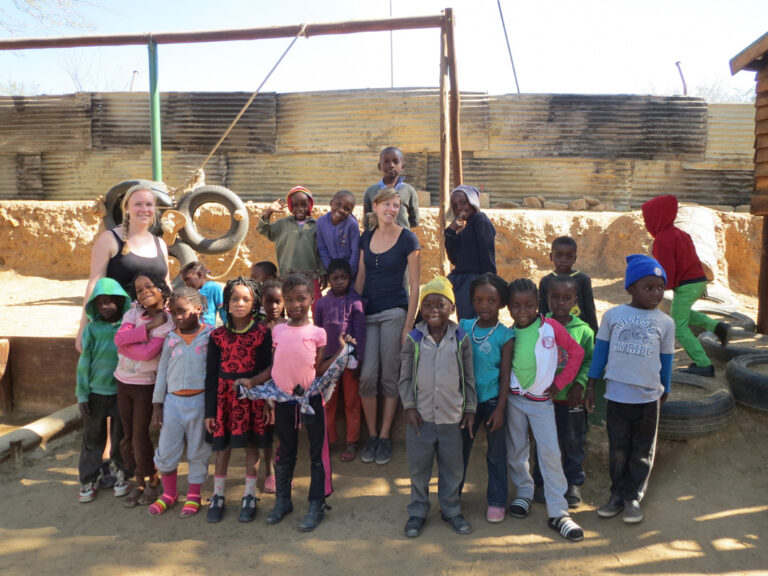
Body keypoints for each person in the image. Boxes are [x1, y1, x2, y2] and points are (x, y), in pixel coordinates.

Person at [586, 254, 675, 524]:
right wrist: (591, 384)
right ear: (630, 288)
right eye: (648, 288)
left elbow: (666, 360)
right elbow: (599, 354)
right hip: (617, 396)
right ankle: (617, 495)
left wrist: (666, 388)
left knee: (642, 450)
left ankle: (634, 497)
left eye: (660, 288)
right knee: (619, 449)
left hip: (648, 399)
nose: (656, 293)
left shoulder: (666, 323)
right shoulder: (613, 316)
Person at [265, 273, 354, 532]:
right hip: (284, 400)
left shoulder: (318, 333)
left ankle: (317, 503)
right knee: (285, 450)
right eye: (289, 300)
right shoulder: (278, 331)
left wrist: (341, 351)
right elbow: (276, 363)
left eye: (301, 299)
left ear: (311, 300)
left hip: (311, 400)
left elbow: (318, 368)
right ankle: (283, 501)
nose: (295, 305)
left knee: (317, 452)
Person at [500, 278, 586, 542]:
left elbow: (577, 353)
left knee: (549, 453)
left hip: (542, 404)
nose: (522, 310)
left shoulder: (551, 328)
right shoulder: (509, 332)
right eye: (516, 306)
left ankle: (558, 511)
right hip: (515, 401)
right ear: (509, 308)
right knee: (516, 450)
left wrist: (560, 383)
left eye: (528, 304)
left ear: (538, 304)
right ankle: (524, 494)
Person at [399, 276, 476, 538]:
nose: (433, 309)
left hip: (452, 418)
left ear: (452, 308)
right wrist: (409, 405)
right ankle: (418, 511)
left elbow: (468, 377)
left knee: (452, 468)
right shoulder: (414, 338)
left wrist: (470, 409)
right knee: (419, 468)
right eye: (427, 304)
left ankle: (451, 510)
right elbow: (405, 376)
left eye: (440, 304)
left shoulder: (461, 338)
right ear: (421, 309)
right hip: (421, 417)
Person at [355, 187, 421, 466]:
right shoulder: (366, 237)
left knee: (389, 376)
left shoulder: (408, 239)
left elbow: (416, 286)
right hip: (368, 314)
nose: (392, 210)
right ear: (375, 207)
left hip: (395, 311)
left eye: (396, 206)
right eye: (387, 205)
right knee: (368, 375)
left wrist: (408, 324)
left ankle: (384, 437)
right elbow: (360, 279)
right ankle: (371, 434)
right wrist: (352, 316)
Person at [204, 277, 273, 523]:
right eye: (234, 298)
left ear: (254, 303)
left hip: (252, 400)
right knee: (221, 449)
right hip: (224, 401)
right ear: (227, 303)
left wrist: (266, 403)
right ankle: (218, 496)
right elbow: (211, 375)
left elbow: (267, 370)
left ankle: (249, 495)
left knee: (251, 446)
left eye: (246, 299)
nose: (240, 303)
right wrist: (209, 411)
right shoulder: (217, 336)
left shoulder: (262, 334)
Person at [641, 195, 730, 377]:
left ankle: (703, 364)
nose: (646, 222)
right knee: (682, 315)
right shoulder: (680, 233)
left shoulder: (663, 240)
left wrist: (659, 288)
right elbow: (692, 259)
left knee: (678, 326)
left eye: (648, 218)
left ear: (657, 217)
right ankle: (717, 327)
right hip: (697, 281)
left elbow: (667, 269)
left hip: (686, 285)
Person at [77, 182, 169, 353]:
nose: (144, 209)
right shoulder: (109, 239)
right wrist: (83, 326)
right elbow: (94, 283)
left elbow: (166, 286)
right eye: (138, 204)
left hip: (154, 327)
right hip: (119, 328)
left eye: (149, 204)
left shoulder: (160, 244)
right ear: (126, 208)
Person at [148, 287, 213, 517]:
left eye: (183, 311)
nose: (178, 317)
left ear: (198, 309)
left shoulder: (210, 337)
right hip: (172, 404)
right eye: (174, 313)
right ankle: (169, 494)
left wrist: (213, 409)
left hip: (199, 402)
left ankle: (194, 494)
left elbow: (215, 374)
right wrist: (157, 406)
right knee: (166, 449)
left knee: (198, 450)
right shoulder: (171, 339)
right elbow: (162, 373)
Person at [532, 275, 594, 509]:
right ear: (546, 298)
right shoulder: (539, 325)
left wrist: (580, 383)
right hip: (544, 399)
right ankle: (541, 481)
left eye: (566, 298)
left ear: (575, 300)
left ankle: (573, 483)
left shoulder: (584, 331)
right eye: (554, 297)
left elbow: (588, 360)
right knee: (544, 441)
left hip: (571, 399)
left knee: (572, 441)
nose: (560, 302)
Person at [114, 272, 175, 508]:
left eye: (149, 286)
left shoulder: (168, 320)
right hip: (123, 381)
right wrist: (148, 328)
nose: (144, 292)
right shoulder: (133, 313)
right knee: (128, 435)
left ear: (162, 289)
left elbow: (148, 353)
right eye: (139, 289)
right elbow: (118, 340)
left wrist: (128, 343)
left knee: (140, 435)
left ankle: (152, 481)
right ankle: (138, 479)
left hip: (145, 386)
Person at [458, 273, 514, 523]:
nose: (484, 306)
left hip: (493, 401)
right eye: (479, 300)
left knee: (496, 454)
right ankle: (451, 496)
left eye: (491, 300)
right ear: (471, 302)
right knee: (458, 452)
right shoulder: (464, 326)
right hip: (465, 402)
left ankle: (497, 501)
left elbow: (505, 376)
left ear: (501, 303)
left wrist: (500, 408)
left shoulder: (505, 335)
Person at [76, 277, 131, 503]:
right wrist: (82, 394)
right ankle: (89, 478)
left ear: (120, 301)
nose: (104, 307)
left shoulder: (128, 328)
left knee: (120, 436)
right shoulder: (92, 330)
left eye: (109, 302)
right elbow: (84, 363)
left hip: (121, 391)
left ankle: (121, 473)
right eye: (99, 304)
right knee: (92, 437)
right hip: (95, 393)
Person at [314, 259, 366, 462]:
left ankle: (352, 442)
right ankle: (328, 440)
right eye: (335, 278)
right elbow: (317, 332)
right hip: (328, 362)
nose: (339, 282)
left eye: (343, 278)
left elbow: (360, 334)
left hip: (350, 361)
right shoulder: (321, 303)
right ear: (328, 279)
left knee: (352, 401)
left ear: (349, 279)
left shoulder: (356, 302)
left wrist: (359, 360)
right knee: (328, 401)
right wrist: (318, 361)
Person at [256, 186, 325, 304]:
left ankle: (315, 323)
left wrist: (323, 273)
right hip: (287, 275)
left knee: (316, 304)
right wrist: (269, 212)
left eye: (304, 205)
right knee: (287, 304)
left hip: (310, 276)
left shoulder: (316, 226)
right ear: (290, 206)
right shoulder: (282, 224)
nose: (300, 208)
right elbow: (263, 229)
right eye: (296, 205)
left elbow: (320, 252)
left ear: (309, 206)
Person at [445, 185, 497, 320]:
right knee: (433, 294)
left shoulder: (480, 219)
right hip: (459, 278)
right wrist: (451, 231)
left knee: (469, 321)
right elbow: (454, 259)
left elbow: (487, 253)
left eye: (464, 202)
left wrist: (488, 282)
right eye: (455, 206)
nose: (460, 208)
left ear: (473, 201)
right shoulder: (464, 228)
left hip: (474, 279)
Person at [538, 236, 598, 334]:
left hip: (578, 332)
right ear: (551, 257)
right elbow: (542, 311)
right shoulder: (546, 281)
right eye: (559, 255)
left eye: (568, 256)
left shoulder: (583, 279)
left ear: (575, 259)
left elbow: (590, 309)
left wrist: (594, 334)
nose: (563, 260)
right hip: (553, 331)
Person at [363, 146, 419, 231]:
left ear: (402, 167)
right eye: (386, 162)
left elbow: (414, 220)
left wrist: (400, 228)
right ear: (379, 166)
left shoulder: (409, 191)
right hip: (378, 239)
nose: (391, 165)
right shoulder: (370, 191)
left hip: (402, 240)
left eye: (395, 162)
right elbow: (367, 221)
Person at [316, 190, 361, 280]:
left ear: (351, 211)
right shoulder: (321, 222)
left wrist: (350, 272)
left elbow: (355, 251)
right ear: (331, 203)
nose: (341, 210)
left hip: (349, 271)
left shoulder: (352, 224)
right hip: (333, 270)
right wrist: (330, 270)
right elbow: (322, 248)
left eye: (347, 209)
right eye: (338, 204)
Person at [181, 261, 226, 327]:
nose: (186, 284)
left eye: (187, 279)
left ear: (199, 274)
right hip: (191, 330)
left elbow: (223, 310)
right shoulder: (190, 293)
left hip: (207, 330)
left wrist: (229, 327)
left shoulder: (214, 288)